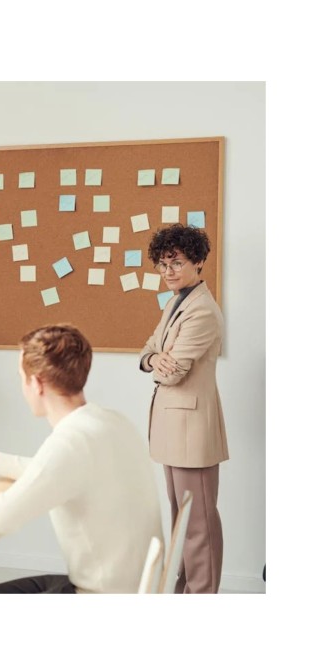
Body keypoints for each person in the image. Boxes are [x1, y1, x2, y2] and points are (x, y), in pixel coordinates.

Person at [0, 324, 162, 594]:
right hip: (133, 588)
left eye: (21, 377)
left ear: (36, 383)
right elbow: (56, 474)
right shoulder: (110, 421)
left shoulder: (71, 441)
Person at [140, 223, 228, 594]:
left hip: (192, 428)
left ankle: (201, 596)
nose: (168, 272)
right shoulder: (177, 302)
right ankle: (184, 592)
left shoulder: (202, 310)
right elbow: (147, 351)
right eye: (162, 265)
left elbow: (174, 372)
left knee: (199, 526)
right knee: (183, 520)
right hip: (173, 428)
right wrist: (153, 359)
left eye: (176, 263)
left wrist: (159, 362)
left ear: (198, 261)